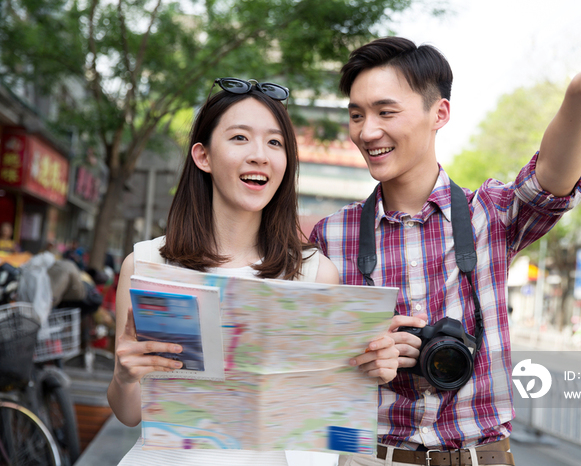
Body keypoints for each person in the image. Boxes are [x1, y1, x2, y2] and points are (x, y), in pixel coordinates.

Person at [310, 24, 581, 466]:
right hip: (371, 456)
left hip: (482, 456)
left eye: (385, 112)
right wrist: (362, 354)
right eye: (356, 114)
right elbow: (307, 361)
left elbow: (551, 178)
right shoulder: (331, 236)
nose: (367, 131)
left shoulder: (488, 215)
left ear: (439, 113)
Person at [107, 78, 399, 465]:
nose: (260, 155)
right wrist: (126, 377)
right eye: (240, 138)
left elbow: (330, 428)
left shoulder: (313, 275)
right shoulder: (147, 264)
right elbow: (129, 414)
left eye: (275, 143)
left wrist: (370, 374)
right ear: (203, 156)